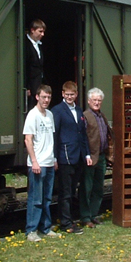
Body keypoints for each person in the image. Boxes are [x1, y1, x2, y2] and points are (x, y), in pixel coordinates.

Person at [52, 81, 90, 234]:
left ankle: (70, 220)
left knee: (72, 191)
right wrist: (54, 157)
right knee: (65, 192)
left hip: (78, 156)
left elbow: (83, 135)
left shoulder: (79, 111)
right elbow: (55, 135)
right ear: (62, 94)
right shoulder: (57, 111)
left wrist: (87, 153)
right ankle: (66, 223)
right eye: (67, 94)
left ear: (76, 95)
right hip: (65, 156)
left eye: (72, 94)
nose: (69, 97)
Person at [23, 84, 58, 242]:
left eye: (49, 97)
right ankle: (31, 230)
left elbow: (51, 140)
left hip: (49, 163)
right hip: (37, 164)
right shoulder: (32, 115)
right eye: (43, 97)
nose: (46, 100)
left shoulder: (49, 115)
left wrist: (54, 159)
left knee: (47, 198)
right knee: (35, 198)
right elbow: (28, 139)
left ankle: (45, 227)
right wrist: (34, 162)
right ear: (37, 97)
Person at [81, 87, 112, 228]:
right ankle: (86, 217)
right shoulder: (85, 116)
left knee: (98, 188)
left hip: (101, 157)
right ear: (89, 101)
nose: (97, 103)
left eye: (99, 100)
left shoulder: (102, 116)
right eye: (94, 100)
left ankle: (94, 215)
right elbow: (82, 138)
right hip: (90, 157)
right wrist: (86, 155)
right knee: (86, 188)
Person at [24, 19, 46, 110]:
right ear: (32, 30)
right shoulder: (26, 45)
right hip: (31, 87)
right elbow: (25, 67)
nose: (42, 34)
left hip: (38, 85)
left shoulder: (39, 45)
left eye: (43, 32)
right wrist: (26, 86)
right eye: (40, 31)